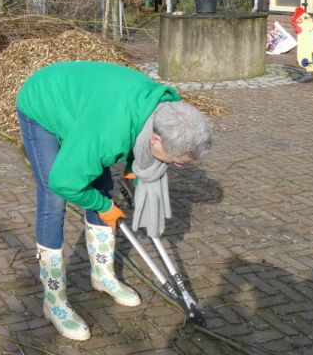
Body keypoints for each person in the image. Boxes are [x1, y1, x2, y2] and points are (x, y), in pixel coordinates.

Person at [16, 61, 212, 340]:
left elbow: (137, 143)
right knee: (55, 198)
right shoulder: (108, 135)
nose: (177, 168)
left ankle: (103, 275)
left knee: (103, 185)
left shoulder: (168, 108)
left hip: (90, 107)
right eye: (176, 162)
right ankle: (54, 300)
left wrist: (132, 169)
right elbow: (64, 181)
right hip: (43, 101)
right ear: (155, 140)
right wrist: (104, 208)